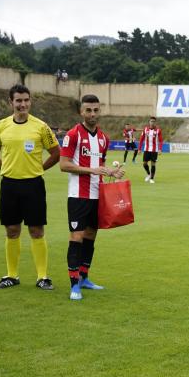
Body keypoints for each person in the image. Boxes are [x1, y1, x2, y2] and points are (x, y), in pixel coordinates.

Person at [0, 84, 60, 290]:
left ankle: (43, 277)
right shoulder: (0, 126)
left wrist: (40, 168)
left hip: (34, 184)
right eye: (18, 100)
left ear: (30, 101)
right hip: (9, 184)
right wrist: (7, 169)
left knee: (36, 230)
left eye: (26, 100)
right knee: (11, 229)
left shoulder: (41, 127)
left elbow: (56, 153)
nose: (23, 104)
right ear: (11, 102)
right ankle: (11, 276)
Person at [59, 94, 124, 301]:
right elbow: (64, 164)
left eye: (96, 110)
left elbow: (100, 167)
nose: (92, 114)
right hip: (78, 195)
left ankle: (85, 278)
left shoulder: (104, 139)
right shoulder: (73, 135)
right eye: (88, 110)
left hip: (98, 195)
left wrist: (111, 173)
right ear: (81, 112)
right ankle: (74, 284)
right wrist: (91, 170)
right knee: (76, 237)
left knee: (90, 237)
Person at [139, 117, 163, 183]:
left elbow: (161, 140)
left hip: (154, 150)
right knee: (144, 163)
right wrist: (139, 149)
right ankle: (148, 174)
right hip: (146, 149)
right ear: (149, 122)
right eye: (151, 121)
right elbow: (141, 139)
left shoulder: (158, 130)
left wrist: (160, 149)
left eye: (153, 121)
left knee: (153, 164)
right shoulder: (145, 129)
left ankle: (152, 178)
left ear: (155, 122)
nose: (152, 122)